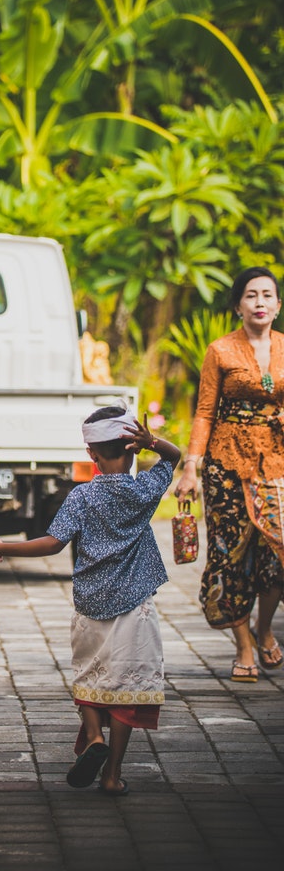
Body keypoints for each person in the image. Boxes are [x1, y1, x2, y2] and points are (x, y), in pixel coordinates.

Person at [0, 403, 181, 795]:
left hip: (89, 605)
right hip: (133, 607)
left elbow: (52, 545)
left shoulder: (81, 497)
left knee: (89, 674)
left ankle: (93, 737)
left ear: (91, 454)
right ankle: (111, 775)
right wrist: (152, 441)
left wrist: (1, 546)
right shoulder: (144, 490)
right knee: (126, 690)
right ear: (132, 448)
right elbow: (175, 457)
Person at [175, 267, 284, 683]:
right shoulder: (219, 350)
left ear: (277, 305)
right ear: (238, 305)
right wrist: (190, 467)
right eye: (251, 295)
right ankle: (243, 646)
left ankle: (265, 627)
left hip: (276, 461)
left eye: (267, 295)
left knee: (277, 551)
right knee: (229, 553)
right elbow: (205, 413)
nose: (259, 302)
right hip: (226, 463)